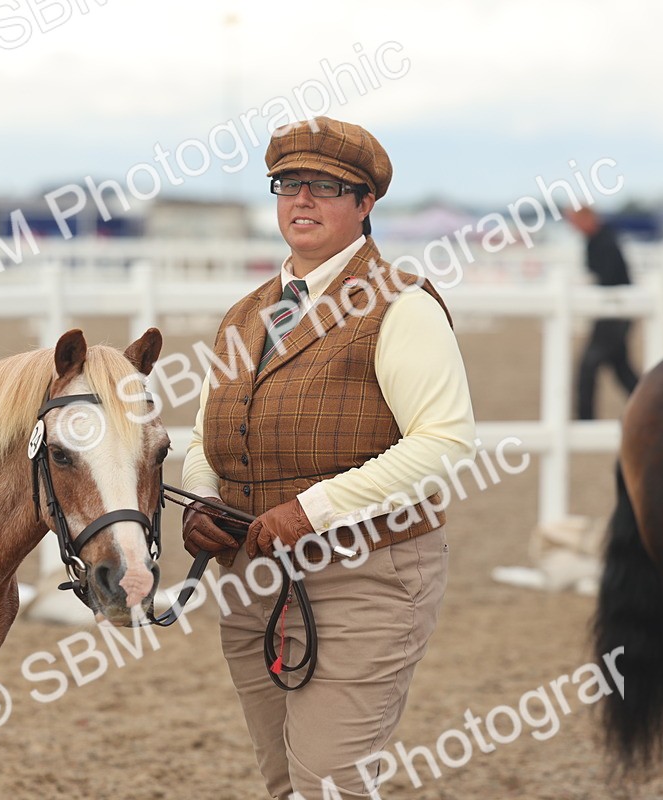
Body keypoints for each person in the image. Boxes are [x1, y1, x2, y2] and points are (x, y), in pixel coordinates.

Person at [180, 116, 476, 799]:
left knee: (328, 783)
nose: (301, 200)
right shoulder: (244, 315)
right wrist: (202, 500)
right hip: (251, 576)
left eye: (326, 187)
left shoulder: (400, 306)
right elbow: (206, 438)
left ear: (365, 203)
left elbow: (444, 442)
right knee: (284, 780)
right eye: (288, 184)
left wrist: (312, 510)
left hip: (366, 576)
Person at [566, 206, 640, 419]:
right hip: (613, 311)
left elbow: (608, 279)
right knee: (621, 370)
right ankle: (651, 407)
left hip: (614, 312)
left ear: (587, 218)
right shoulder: (599, 240)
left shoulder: (603, 242)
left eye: (574, 220)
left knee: (589, 366)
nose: (572, 226)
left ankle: (585, 419)